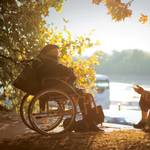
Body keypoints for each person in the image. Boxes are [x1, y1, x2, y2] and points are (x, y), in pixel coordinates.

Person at [34, 44, 104, 132]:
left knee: (83, 93)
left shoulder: (45, 59)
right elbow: (62, 70)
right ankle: (90, 122)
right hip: (56, 86)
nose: (58, 54)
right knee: (85, 96)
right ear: (51, 52)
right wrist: (70, 70)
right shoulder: (49, 60)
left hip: (51, 85)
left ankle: (89, 121)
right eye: (57, 52)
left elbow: (58, 70)